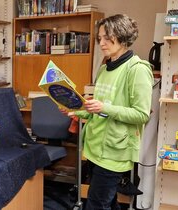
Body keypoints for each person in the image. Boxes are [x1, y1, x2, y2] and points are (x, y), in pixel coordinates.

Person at [63, 14, 153, 210]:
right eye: (100, 38)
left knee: (96, 204)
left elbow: (141, 114)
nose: (101, 43)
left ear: (122, 36)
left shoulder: (137, 70)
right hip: (95, 147)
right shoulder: (104, 69)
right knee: (107, 202)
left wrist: (104, 108)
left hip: (114, 151)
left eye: (107, 38)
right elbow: (98, 110)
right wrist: (76, 112)